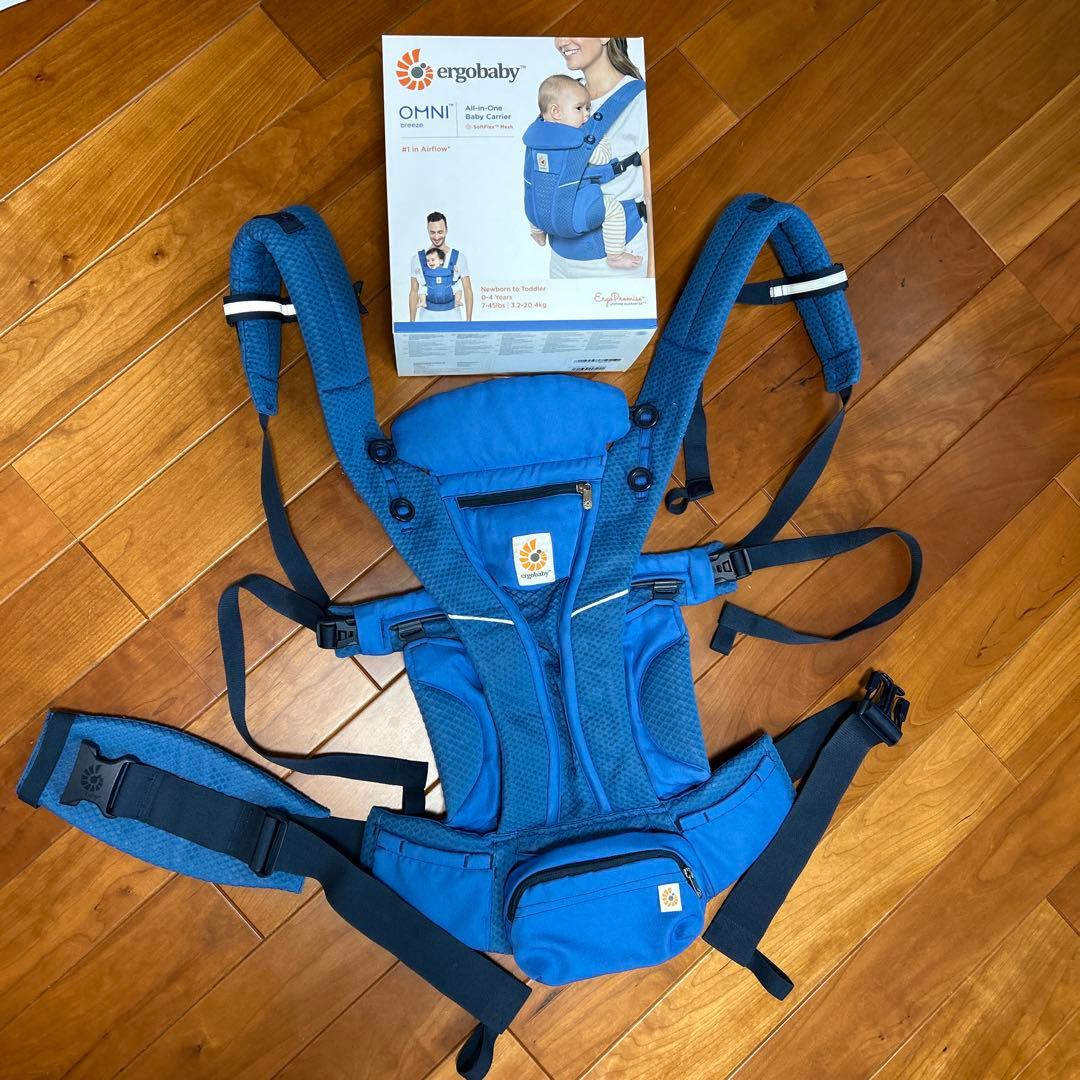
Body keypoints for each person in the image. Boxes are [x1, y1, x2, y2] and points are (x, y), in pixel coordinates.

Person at [549, 37, 652, 280]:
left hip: (617, 262)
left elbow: (652, 197)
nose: (562, 41)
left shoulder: (639, 100)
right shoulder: (562, 94)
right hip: (560, 257)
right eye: (557, 33)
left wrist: (651, 280)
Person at [528, 74, 642, 270]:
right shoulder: (578, 139)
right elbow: (602, 158)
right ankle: (615, 255)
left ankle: (537, 233)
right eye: (579, 108)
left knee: (535, 196)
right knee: (613, 208)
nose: (587, 114)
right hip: (572, 212)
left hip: (540, 211)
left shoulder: (535, 136)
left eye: (588, 108)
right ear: (556, 111)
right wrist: (599, 138)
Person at [408, 211, 473, 321]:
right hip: (426, 318)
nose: (436, 237)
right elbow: (414, 291)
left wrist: (469, 321)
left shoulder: (459, 258)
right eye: (432, 232)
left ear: (446, 230)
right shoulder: (417, 259)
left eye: (440, 232)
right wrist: (411, 323)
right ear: (427, 231)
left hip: (453, 317)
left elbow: (467, 289)